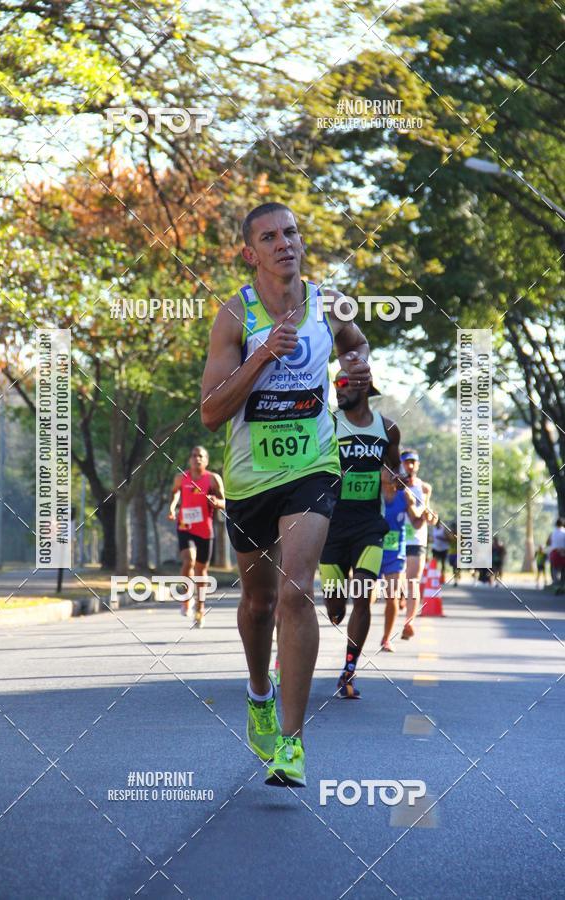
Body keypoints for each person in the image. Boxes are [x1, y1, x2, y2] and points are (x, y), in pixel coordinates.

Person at [201, 202, 371, 787]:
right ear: (250, 253)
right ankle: (258, 694)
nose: (284, 244)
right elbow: (210, 411)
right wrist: (261, 357)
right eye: (269, 237)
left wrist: (354, 372)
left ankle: (293, 743)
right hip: (250, 478)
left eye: (292, 233)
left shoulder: (329, 302)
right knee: (259, 605)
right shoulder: (234, 315)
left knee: (298, 590)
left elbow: (356, 342)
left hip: (314, 466)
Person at [319, 373, 400, 697]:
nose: (338, 391)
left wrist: (394, 478)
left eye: (343, 385)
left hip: (369, 525)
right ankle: (336, 609)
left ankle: (349, 671)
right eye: (335, 385)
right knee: (336, 608)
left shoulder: (388, 428)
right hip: (331, 526)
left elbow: (395, 468)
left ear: (363, 388)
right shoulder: (327, 423)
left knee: (363, 594)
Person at [168, 446, 225, 627]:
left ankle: (200, 609)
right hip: (185, 526)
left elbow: (226, 502)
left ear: (206, 460)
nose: (196, 459)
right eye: (193, 455)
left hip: (205, 530)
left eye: (200, 456)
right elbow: (175, 493)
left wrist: (217, 502)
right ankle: (186, 599)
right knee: (188, 560)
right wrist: (172, 507)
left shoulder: (213, 479)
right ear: (189, 459)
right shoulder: (181, 478)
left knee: (201, 571)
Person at [378, 468, 426, 652]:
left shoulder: (405, 495)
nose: (390, 473)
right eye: (386, 470)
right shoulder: (373, 492)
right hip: (373, 548)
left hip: (395, 552)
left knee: (392, 597)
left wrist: (426, 516)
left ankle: (386, 638)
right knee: (367, 598)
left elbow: (416, 522)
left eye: (393, 470)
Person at [400, 449, 438, 638]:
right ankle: (399, 598)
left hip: (416, 538)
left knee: (413, 581)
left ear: (418, 465)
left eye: (413, 462)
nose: (410, 466)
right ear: (401, 464)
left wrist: (431, 517)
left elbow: (427, 513)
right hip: (396, 536)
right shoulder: (394, 484)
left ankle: (409, 622)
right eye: (407, 462)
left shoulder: (425, 488)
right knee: (397, 582)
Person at [547, 518, 565, 593]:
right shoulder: (564, 532)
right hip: (563, 552)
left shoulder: (552, 533)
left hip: (554, 552)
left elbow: (548, 542)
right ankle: (563, 586)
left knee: (555, 570)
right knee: (563, 570)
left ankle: (556, 586)